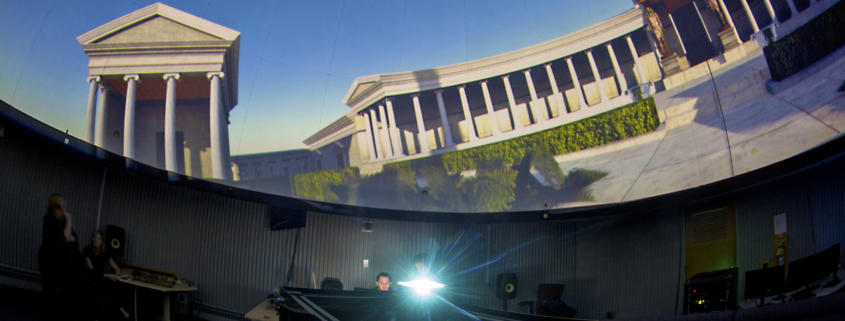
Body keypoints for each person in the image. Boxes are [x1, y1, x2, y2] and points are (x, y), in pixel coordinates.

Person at [37, 194, 77, 319]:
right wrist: (69, 222)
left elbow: (74, 237)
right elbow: (65, 237)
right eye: (62, 203)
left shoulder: (62, 220)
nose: (64, 205)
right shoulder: (50, 218)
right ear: (56, 204)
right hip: (48, 258)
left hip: (59, 259)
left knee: (64, 286)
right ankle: (48, 313)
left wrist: (67, 234)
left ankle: (59, 312)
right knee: (49, 287)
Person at [83, 230, 130, 319]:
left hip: (100, 278)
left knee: (113, 288)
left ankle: (120, 312)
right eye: (94, 237)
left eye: (98, 239)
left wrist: (117, 271)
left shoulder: (104, 252)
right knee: (105, 289)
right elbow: (91, 272)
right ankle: (123, 312)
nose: (95, 240)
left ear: (102, 242)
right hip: (90, 279)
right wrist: (108, 276)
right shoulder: (87, 250)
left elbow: (115, 266)